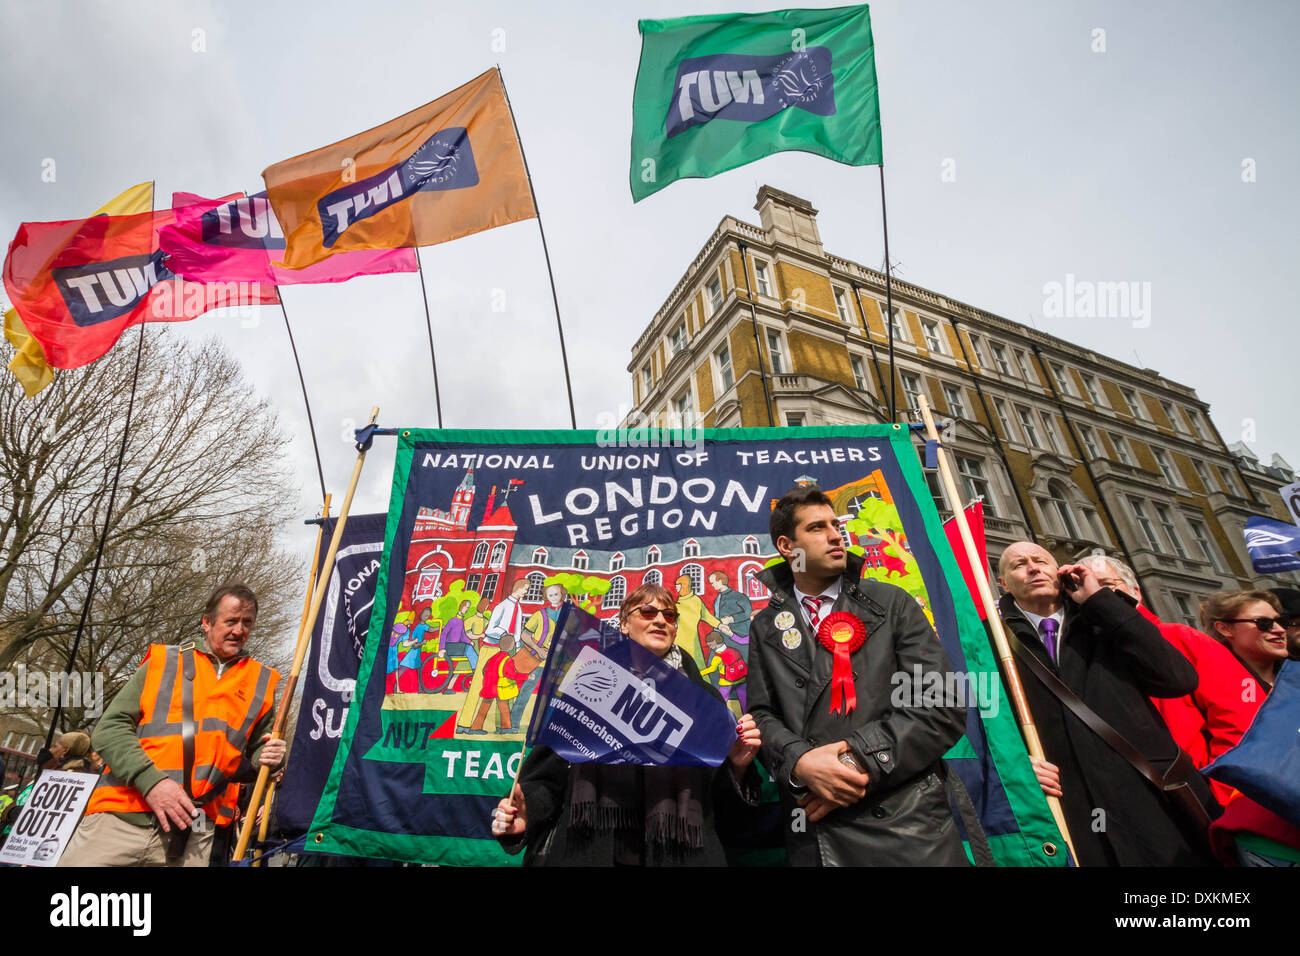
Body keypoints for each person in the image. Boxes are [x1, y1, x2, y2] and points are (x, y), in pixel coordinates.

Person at [747, 486, 969, 866]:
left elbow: (941, 704)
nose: (836, 535)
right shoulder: (765, 626)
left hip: (905, 824)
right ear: (787, 546)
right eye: (817, 528)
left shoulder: (891, 602)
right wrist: (801, 763)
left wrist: (852, 763)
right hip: (814, 831)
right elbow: (762, 715)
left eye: (835, 524)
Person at [491, 584, 762, 866]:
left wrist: (739, 768)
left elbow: (725, 811)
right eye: (647, 611)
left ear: (675, 629)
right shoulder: (588, 685)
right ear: (623, 624)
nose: (660, 619)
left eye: (669, 615)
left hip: (682, 854)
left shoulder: (705, 698)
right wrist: (528, 811)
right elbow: (547, 778)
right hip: (591, 850)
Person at [997, 542, 1215, 866]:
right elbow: (981, 720)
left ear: (1058, 572)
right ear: (1002, 582)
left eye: (1041, 560)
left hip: (1150, 802)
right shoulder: (992, 641)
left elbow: (1177, 679)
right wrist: (1014, 762)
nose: (1032, 568)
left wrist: (1100, 601)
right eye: (1019, 564)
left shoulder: (1104, 621)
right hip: (1072, 810)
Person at [58, 585, 285, 867]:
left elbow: (252, 760)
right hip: (120, 818)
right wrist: (152, 782)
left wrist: (271, 759)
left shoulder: (262, 683)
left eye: (247, 623)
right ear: (206, 622)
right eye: (231, 621)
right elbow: (109, 728)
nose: (239, 630)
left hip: (193, 835)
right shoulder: (164, 661)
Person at [1076, 555, 1259, 805]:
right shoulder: (1081, 654)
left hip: (1204, 797)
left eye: (1105, 584)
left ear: (1135, 591)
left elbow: (1241, 723)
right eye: (1083, 585)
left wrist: (1226, 798)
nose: (1096, 594)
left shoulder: (1182, 639)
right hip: (1131, 801)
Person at [458, 578, 529, 731]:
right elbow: (490, 629)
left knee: (505, 688)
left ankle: (502, 726)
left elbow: (517, 631)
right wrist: (505, 634)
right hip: (490, 648)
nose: (526, 592)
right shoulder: (502, 606)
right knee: (479, 685)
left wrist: (515, 647)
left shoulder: (519, 608)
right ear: (518, 588)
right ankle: (464, 724)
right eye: (525, 588)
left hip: (506, 651)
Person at [1200, 589, 1288, 693]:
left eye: (1280, 621)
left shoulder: (1294, 675)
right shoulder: (1211, 688)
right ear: (1225, 629)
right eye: (1263, 622)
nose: (1280, 630)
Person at [673, 573, 722, 674]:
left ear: (684, 586)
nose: (676, 588)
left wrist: (719, 625)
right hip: (678, 641)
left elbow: (706, 616)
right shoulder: (675, 604)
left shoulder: (696, 601)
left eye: (678, 585)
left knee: (696, 665)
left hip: (693, 642)